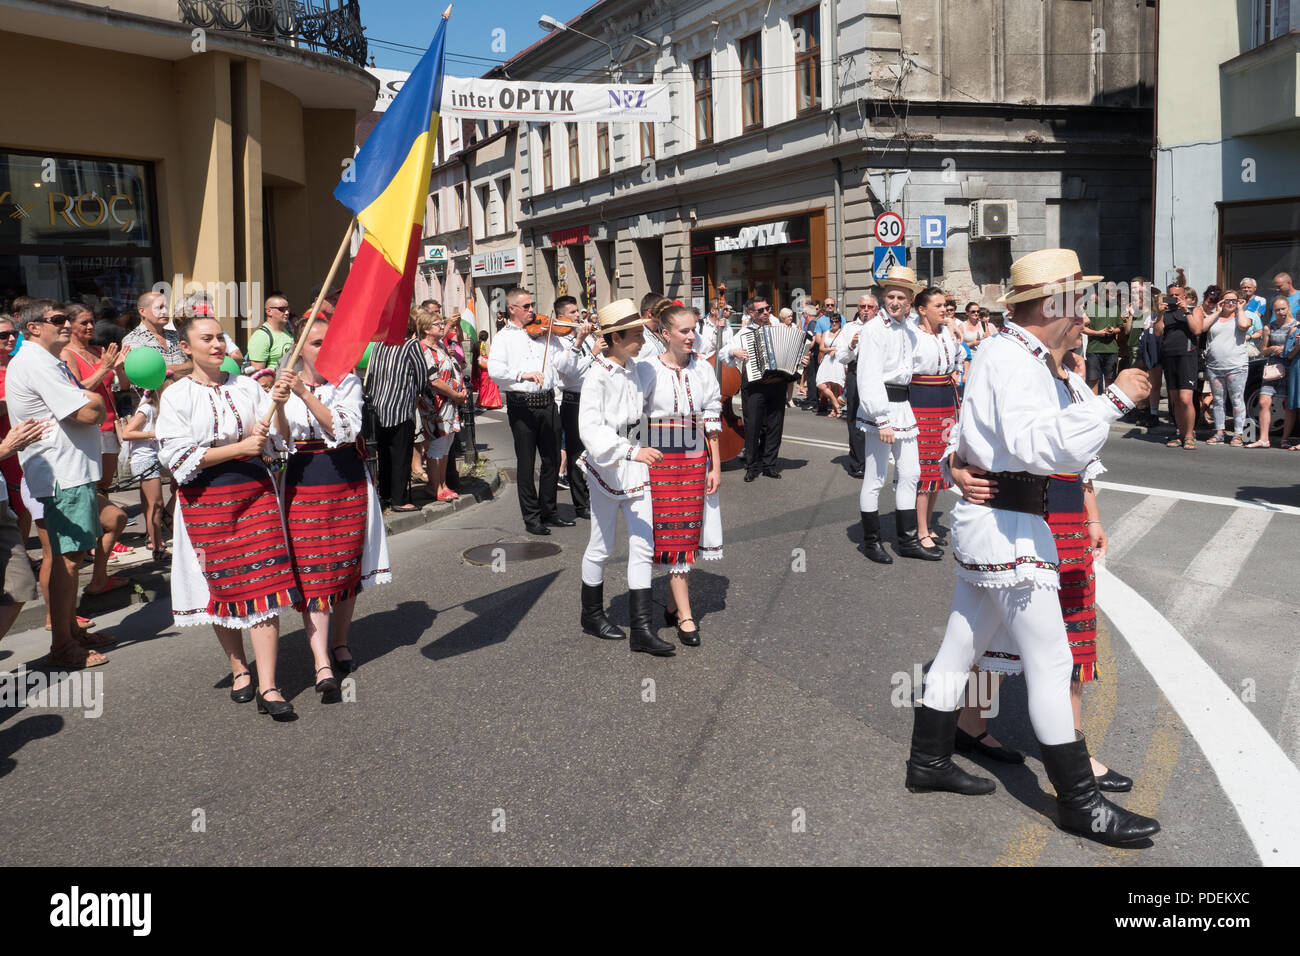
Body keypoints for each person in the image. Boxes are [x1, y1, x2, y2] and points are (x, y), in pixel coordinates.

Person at [905, 248, 1160, 848]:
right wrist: (1114, 401)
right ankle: (1078, 804)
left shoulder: (1018, 354)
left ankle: (928, 761)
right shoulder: (1014, 357)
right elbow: (1035, 443)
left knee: (959, 645)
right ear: (1053, 303)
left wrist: (954, 464)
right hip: (1010, 528)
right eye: (1077, 298)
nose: (1086, 312)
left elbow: (973, 435)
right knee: (1051, 661)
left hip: (1001, 524)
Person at [952, 328, 1132, 789]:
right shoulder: (1014, 368)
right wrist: (952, 467)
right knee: (987, 634)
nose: (1081, 330)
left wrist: (1093, 519)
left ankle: (1074, 746)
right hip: (1028, 515)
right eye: (1073, 317)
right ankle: (970, 725)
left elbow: (1084, 462)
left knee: (1073, 635)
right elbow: (972, 437)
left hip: (1068, 516)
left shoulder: (1072, 383)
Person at [157, 314, 300, 718]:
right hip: (205, 499)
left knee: (265, 582)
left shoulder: (247, 386)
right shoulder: (176, 396)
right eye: (207, 339)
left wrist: (282, 409)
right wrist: (238, 449)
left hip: (255, 493)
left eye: (221, 337)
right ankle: (240, 668)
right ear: (186, 347)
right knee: (222, 585)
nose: (218, 344)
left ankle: (269, 686)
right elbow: (178, 457)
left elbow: (278, 440)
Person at [278, 314, 392, 685]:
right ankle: (320, 662)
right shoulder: (284, 384)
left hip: (346, 483)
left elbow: (342, 429)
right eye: (315, 344)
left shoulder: (347, 383)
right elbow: (277, 442)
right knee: (314, 573)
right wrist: (278, 404)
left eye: (328, 343)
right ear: (299, 350)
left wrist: (305, 393)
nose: (325, 350)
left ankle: (340, 641)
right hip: (303, 484)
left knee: (344, 568)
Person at [8, 300, 111, 669]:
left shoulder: (47, 361)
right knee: (67, 559)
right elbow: (85, 412)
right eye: (58, 319)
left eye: (67, 318)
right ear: (33, 327)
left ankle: (71, 632)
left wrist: (90, 401)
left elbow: (84, 410)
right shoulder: (36, 361)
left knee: (73, 556)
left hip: (71, 470)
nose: (66, 324)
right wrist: (96, 399)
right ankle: (63, 645)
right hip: (62, 471)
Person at [576, 299, 667, 654]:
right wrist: (631, 450)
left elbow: (666, 383)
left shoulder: (640, 369)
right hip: (609, 465)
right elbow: (590, 428)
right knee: (602, 544)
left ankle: (642, 629)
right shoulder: (597, 376)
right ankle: (591, 614)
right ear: (614, 338)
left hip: (637, 462)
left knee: (643, 542)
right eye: (635, 335)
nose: (643, 341)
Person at [637, 303, 723, 648]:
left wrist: (715, 466)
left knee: (689, 531)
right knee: (672, 534)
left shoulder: (702, 369)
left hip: (694, 455)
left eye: (694, 329)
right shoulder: (647, 369)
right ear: (666, 333)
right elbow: (633, 413)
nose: (691, 336)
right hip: (659, 458)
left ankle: (673, 605)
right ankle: (686, 615)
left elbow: (712, 418)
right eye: (684, 331)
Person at [855, 266, 927, 563]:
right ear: (883, 297)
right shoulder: (873, 329)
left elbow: (919, 361)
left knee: (911, 473)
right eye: (890, 296)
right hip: (882, 405)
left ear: (910, 300)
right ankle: (871, 542)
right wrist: (881, 418)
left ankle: (907, 540)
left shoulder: (910, 328)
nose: (895, 301)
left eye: (901, 297)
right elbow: (868, 376)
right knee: (876, 477)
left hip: (904, 406)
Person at [487, 286, 569, 535]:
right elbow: (495, 371)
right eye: (526, 307)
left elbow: (562, 362)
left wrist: (574, 340)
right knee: (526, 463)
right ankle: (532, 518)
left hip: (547, 402)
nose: (532, 310)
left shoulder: (544, 334)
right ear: (512, 309)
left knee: (552, 459)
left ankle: (549, 511)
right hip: (522, 405)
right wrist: (523, 374)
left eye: (532, 305)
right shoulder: (504, 338)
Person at [62, 304, 132, 588]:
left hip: (109, 425)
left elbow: (122, 386)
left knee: (103, 487)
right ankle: (95, 546)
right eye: (83, 323)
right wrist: (104, 368)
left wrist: (118, 368)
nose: (90, 327)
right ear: (69, 325)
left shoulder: (97, 351)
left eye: (92, 322)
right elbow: (76, 393)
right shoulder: (67, 354)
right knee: (93, 492)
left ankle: (102, 558)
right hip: (88, 430)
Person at [729, 295, 805, 481]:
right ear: (751, 313)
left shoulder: (780, 330)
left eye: (768, 308)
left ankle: (770, 464)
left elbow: (795, 356)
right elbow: (725, 354)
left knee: (774, 426)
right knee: (753, 427)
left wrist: (802, 361)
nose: (766, 313)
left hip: (777, 384)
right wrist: (734, 352)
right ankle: (752, 466)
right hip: (755, 386)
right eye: (761, 310)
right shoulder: (743, 334)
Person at [909, 287, 961, 555]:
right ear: (922, 309)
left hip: (944, 400)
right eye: (938, 306)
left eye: (945, 305)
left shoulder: (946, 333)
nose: (944, 310)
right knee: (924, 468)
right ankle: (919, 531)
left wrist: (953, 331)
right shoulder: (913, 335)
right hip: (922, 399)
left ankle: (929, 526)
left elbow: (956, 363)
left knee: (941, 465)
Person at [365, 331, 427, 512]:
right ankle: (399, 499)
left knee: (384, 454)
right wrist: (418, 393)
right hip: (400, 406)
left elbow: (372, 374)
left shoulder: (379, 344)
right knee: (401, 455)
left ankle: (385, 493)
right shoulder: (411, 345)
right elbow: (422, 376)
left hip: (378, 406)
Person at [551, 295, 598, 520]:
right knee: (576, 452)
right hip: (574, 399)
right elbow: (570, 373)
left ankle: (596, 495)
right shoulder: (558, 341)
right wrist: (587, 348)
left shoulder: (587, 336)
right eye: (572, 312)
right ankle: (581, 504)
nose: (578, 315)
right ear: (561, 317)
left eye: (577, 311)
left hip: (594, 398)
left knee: (595, 450)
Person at [415, 311, 466, 501]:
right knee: (436, 447)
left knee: (446, 446)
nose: (442, 326)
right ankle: (434, 486)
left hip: (450, 404)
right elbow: (433, 380)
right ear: (427, 329)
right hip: (435, 405)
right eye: (437, 324)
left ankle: (443, 484)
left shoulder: (441, 347)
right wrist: (454, 394)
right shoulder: (424, 349)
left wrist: (461, 391)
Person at [120, 380, 171, 561]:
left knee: (183, 480)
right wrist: (152, 434)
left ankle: (168, 517)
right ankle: (157, 547)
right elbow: (127, 433)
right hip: (145, 460)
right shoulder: (147, 410)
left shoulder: (161, 412)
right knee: (155, 504)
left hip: (156, 458)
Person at [1200, 290, 1251, 446]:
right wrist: (1218, 311)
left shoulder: (1240, 316)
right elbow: (1202, 327)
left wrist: (1240, 309)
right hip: (1215, 366)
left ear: (1238, 302)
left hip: (1236, 366)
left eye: (1233, 300)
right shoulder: (1215, 317)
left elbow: (1244, 326)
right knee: (1218, 401)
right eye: (1226, 300)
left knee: (1236, 400)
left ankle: (1238, 434)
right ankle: (1219, 432)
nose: (1230, 303)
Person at [1153, 279, 1199, 449]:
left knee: (1186, 399)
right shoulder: (1165, 312)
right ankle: (1180, 433)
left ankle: (1189, 435)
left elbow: (1196, 330)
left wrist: (1185, 310)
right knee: (1175, 401)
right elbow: (1158, 333)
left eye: (1177, 295)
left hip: (1187, 357)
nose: (1174, 298)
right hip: (1169, 357)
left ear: (1184, 296)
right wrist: (1159, 314)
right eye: (1171, 295)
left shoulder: (1194, 310)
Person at [836, 295, 878, 478]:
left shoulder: (882, 327)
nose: (866, 310)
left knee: (877, 419)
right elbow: (841, 358)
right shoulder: (849, 328)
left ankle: (875, 460)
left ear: (876, 309)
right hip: (855, 375)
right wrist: (852, 345)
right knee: (854, 420)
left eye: (869, 306)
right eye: (862, 306)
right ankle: (858, 463)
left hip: (877, 377)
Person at [1249, 296, 1297, 449]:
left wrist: (1289, 350)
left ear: (1288, 307)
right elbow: (1263, 350)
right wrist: (1272, 349)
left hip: (1290, 367)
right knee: (1264, 401)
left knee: (1288, 405)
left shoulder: (1296, 326)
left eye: (1283, 308)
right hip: (1273, 367)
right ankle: (1264, 439)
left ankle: (1285, 439)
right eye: (1277, 310)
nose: (1281, 312)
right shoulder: (1269, 327)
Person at [122, 292, 192, 381]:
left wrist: (165, 370)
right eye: (159, 307)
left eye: (166, 307)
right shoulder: (132, 340)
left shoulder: (177, 335)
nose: (165, 311)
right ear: (142, 311)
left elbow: (197, 363)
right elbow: (147, 373)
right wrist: (186, 368)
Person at [1082, 285, 1127, 393]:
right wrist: (1098, 333)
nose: (1114, 296)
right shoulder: (1091, 307)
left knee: (1110, 381)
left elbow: (1121, 327)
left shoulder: (1115, 307)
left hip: (1111, 349)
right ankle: (1095, 407)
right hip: (1094, 349)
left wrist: (1113, 330)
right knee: (1093, 380)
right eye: (1111, 294)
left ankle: (1109, 407)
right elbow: (1082, 328)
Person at [246, 294, 295, 371]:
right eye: (282, 309)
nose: (287, 312)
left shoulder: (288, 333)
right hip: (273, 382)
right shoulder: (261, 337)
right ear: (269, 311)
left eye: (288, 309)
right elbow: (257, 374)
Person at [815, 313, 847, 417]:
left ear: (840, 322)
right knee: (820, 383)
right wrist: (831, 349)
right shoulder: (826, 332)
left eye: (836, 321)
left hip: (837, 360)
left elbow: (846, 346)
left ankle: (834, 411)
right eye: (832, 321)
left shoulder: (843, 333)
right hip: (827, 360)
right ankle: (836, 403)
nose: (834, 323)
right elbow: (821, 348)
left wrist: (836, 350)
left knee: (835, 385)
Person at [473, 330, 503, 410]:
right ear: (486, 337)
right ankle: (490, 402)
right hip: (486, 368)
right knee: (490, 385)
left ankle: (482, 401)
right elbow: (488, 356)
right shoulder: (485, 345)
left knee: (483, 385)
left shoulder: (476, 344)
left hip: (479, 368)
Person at [635, 292, 669, 362]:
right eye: (662, 310)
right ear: (650, 313)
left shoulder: (663, 330)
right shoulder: (637, 335)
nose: (665, 313)